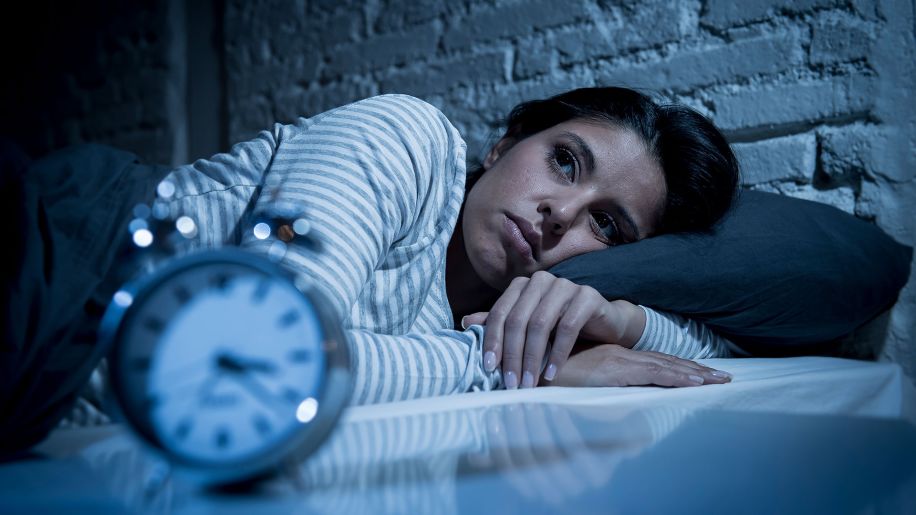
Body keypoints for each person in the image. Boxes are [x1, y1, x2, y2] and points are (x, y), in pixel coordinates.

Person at [1, 86, 738, 452]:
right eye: (564, 161)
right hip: (67, 254)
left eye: (605, 225)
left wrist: (617, 317)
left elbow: (721, 343)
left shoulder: (528, 305)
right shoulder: (407, 140)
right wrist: (513, 366)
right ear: (503, 145)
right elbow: (258, 360)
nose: (558, 212)